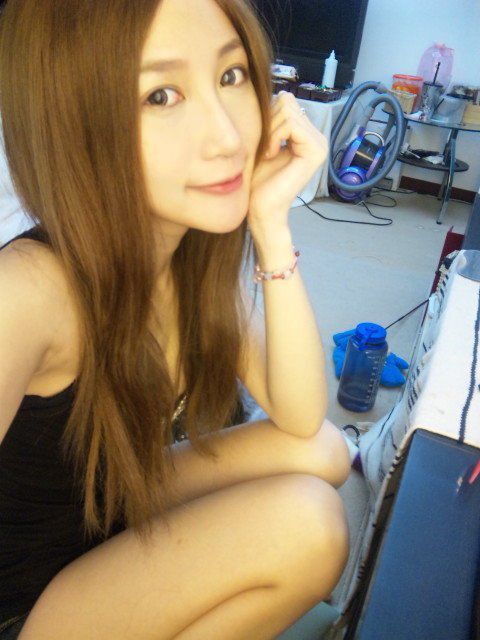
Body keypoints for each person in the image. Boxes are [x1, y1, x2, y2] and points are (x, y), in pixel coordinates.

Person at [0, 1, 352, 638]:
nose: (227, 137)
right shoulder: (26, 290)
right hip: (29, 601)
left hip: (109, 510)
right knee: (309, 523)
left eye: (230, 75)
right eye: (160, 95)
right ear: (72, 122)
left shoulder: (186, 255)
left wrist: (271, 225)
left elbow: (301, 415)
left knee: (328, 451)